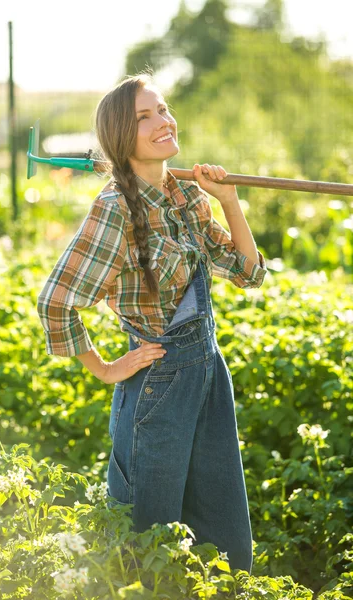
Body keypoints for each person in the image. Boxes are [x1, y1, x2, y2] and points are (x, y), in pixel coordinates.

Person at [36, 72, 268, 574]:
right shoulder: (115, 207)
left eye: (162, 109)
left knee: (223, 528)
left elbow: (248, 274)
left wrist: (229, 201)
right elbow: (56, 301)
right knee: (146, 535)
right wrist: (104, 368)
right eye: (145, 116)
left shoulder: (185, 197)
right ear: (123, 135)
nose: (163, 121)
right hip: (158, 387)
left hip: (207, 375)